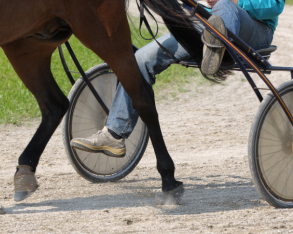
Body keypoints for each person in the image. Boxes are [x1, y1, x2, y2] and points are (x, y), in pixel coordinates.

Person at [70, 0, 284, 158]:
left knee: (226, 8)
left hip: (255, 30)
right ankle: (114, 134)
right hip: (208, 24)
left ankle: (217, 46)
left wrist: (234, 1)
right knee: (141, 59)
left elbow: (275, 5)